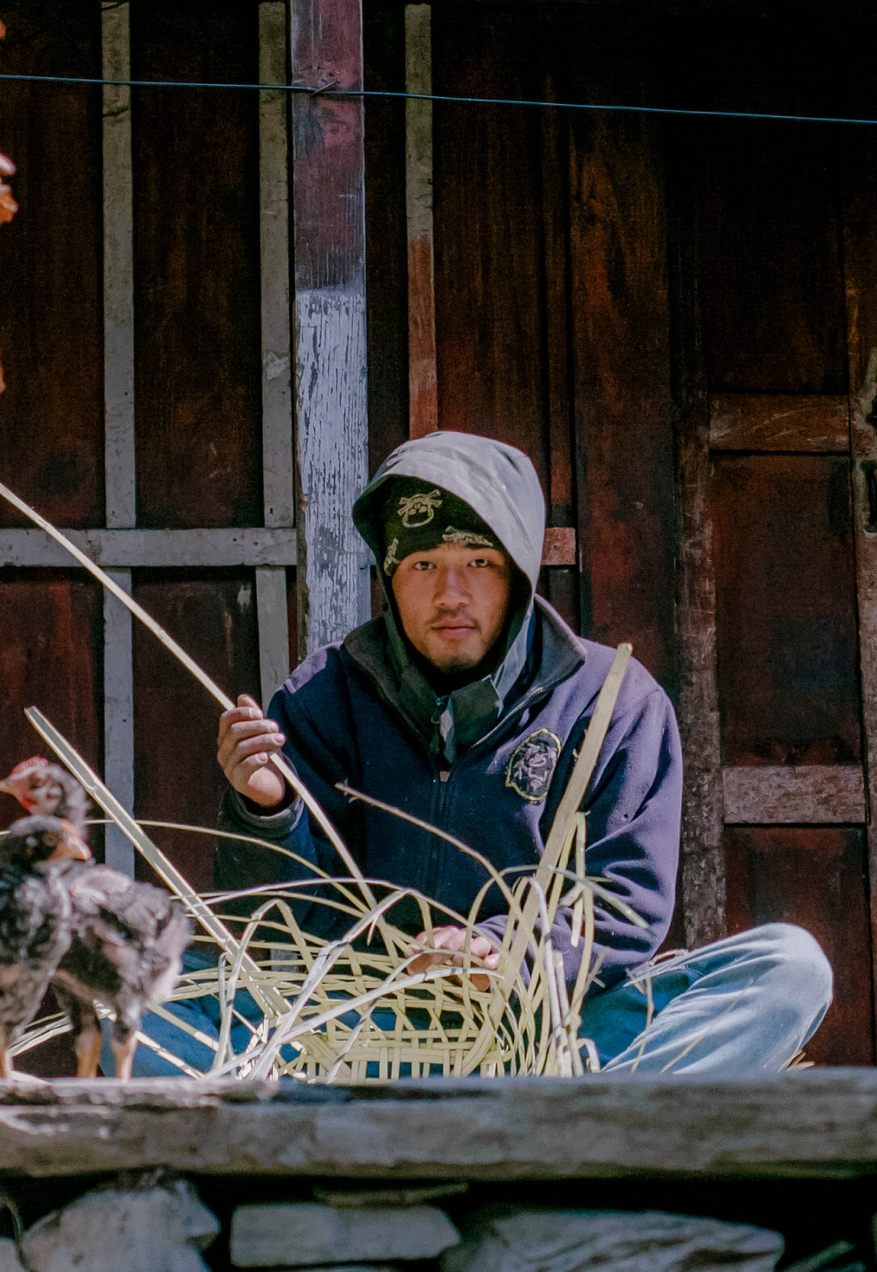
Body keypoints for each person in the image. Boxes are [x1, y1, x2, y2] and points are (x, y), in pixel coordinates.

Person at [209, 431, 832, 1073]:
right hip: (359, 1038)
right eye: (422, 564)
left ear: (518, 576)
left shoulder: (613, 703)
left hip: (553, 1043)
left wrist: (499, 952)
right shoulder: (322, 699)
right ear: (390, 577)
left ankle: (566, 1123)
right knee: (165, 1001)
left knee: (789, 967)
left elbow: (626, 898)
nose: (450, 593)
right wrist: (269, 812)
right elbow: (275, 931)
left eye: (478, 562)